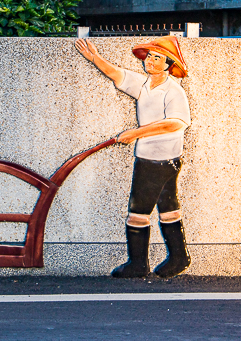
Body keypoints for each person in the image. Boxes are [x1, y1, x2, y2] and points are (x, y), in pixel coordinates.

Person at [75, 35, 192, 279]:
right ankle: (179, 257)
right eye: (149, 56)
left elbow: (177, 123)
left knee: (137, 213)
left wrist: (137, 133)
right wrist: (94, 57)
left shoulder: (173, 91)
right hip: (148, 157)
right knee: (168, 208)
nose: (150, 61)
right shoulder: (144, 85)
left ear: (169, 64)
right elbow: (118, 75)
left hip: (160, 160)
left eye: (157, 58)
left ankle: (138, 264)